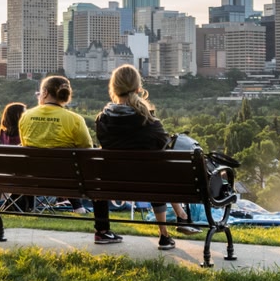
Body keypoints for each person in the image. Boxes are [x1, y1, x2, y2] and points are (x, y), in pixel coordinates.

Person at [97, 64, 199, 250]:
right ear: (138, 88)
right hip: (149, 183)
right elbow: (164, 146)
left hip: (112, 183)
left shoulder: (102, 120)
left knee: (155, 171)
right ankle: (168, 230)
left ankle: (180, 217)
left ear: (114, 88)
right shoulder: (149, 121)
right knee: (158, 170)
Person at [19, 75, 121, 245]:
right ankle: (102, 231)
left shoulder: (26, 116)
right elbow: (87, 149)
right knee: (98, 180)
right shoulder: (74, 119)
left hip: (34, 180)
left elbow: (25, 145)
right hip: (70, 182)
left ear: (45, 93)